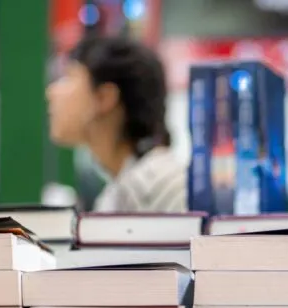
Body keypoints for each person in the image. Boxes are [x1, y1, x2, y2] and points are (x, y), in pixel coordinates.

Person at [46, 35, 186, 212]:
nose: (52, 91)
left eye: (68, 77)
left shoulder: (169, 189)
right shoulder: (114, 195)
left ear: (105, 97)